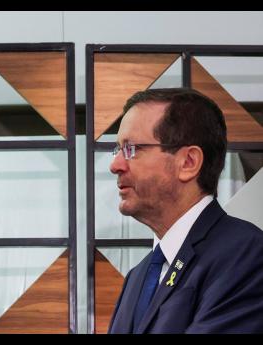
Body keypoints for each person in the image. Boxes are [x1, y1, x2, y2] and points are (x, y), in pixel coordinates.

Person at [108, 88, 263, 333]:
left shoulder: (247, 254)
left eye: (131, 149)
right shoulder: (137, 277)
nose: (115, 165)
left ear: (188, 163)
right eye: (117, 150)